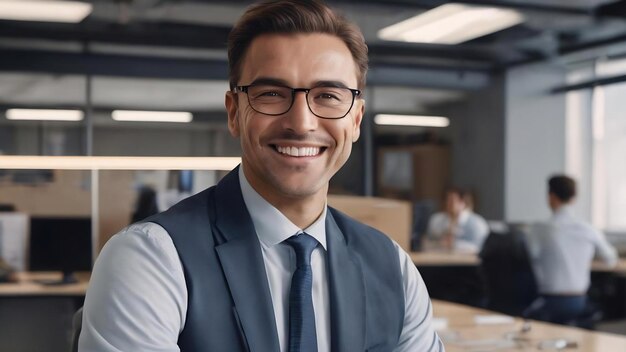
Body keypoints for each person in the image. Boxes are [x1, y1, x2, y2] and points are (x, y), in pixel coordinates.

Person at [78, 1, 444, 351]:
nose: (301, 123)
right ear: (234, 112)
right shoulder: (150, 258)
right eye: (271, 93)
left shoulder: (392, 266)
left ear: (356, 119)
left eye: (328, 95)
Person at [524, 175, 618, 324]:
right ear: (574, 198)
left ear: (551, 197)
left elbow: (530, 257)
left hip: (549, 302)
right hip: (580, 301)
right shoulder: (588, 228)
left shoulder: (538, 229)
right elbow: (611, 259)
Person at [425, 187, 489, 253]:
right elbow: (428, 241)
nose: (448, 204)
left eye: (452, 200)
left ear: (462, 202)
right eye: (447, 200)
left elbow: (479, 247)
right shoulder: (436, 219)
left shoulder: (477, 223)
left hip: (466, 261)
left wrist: (454, 244)